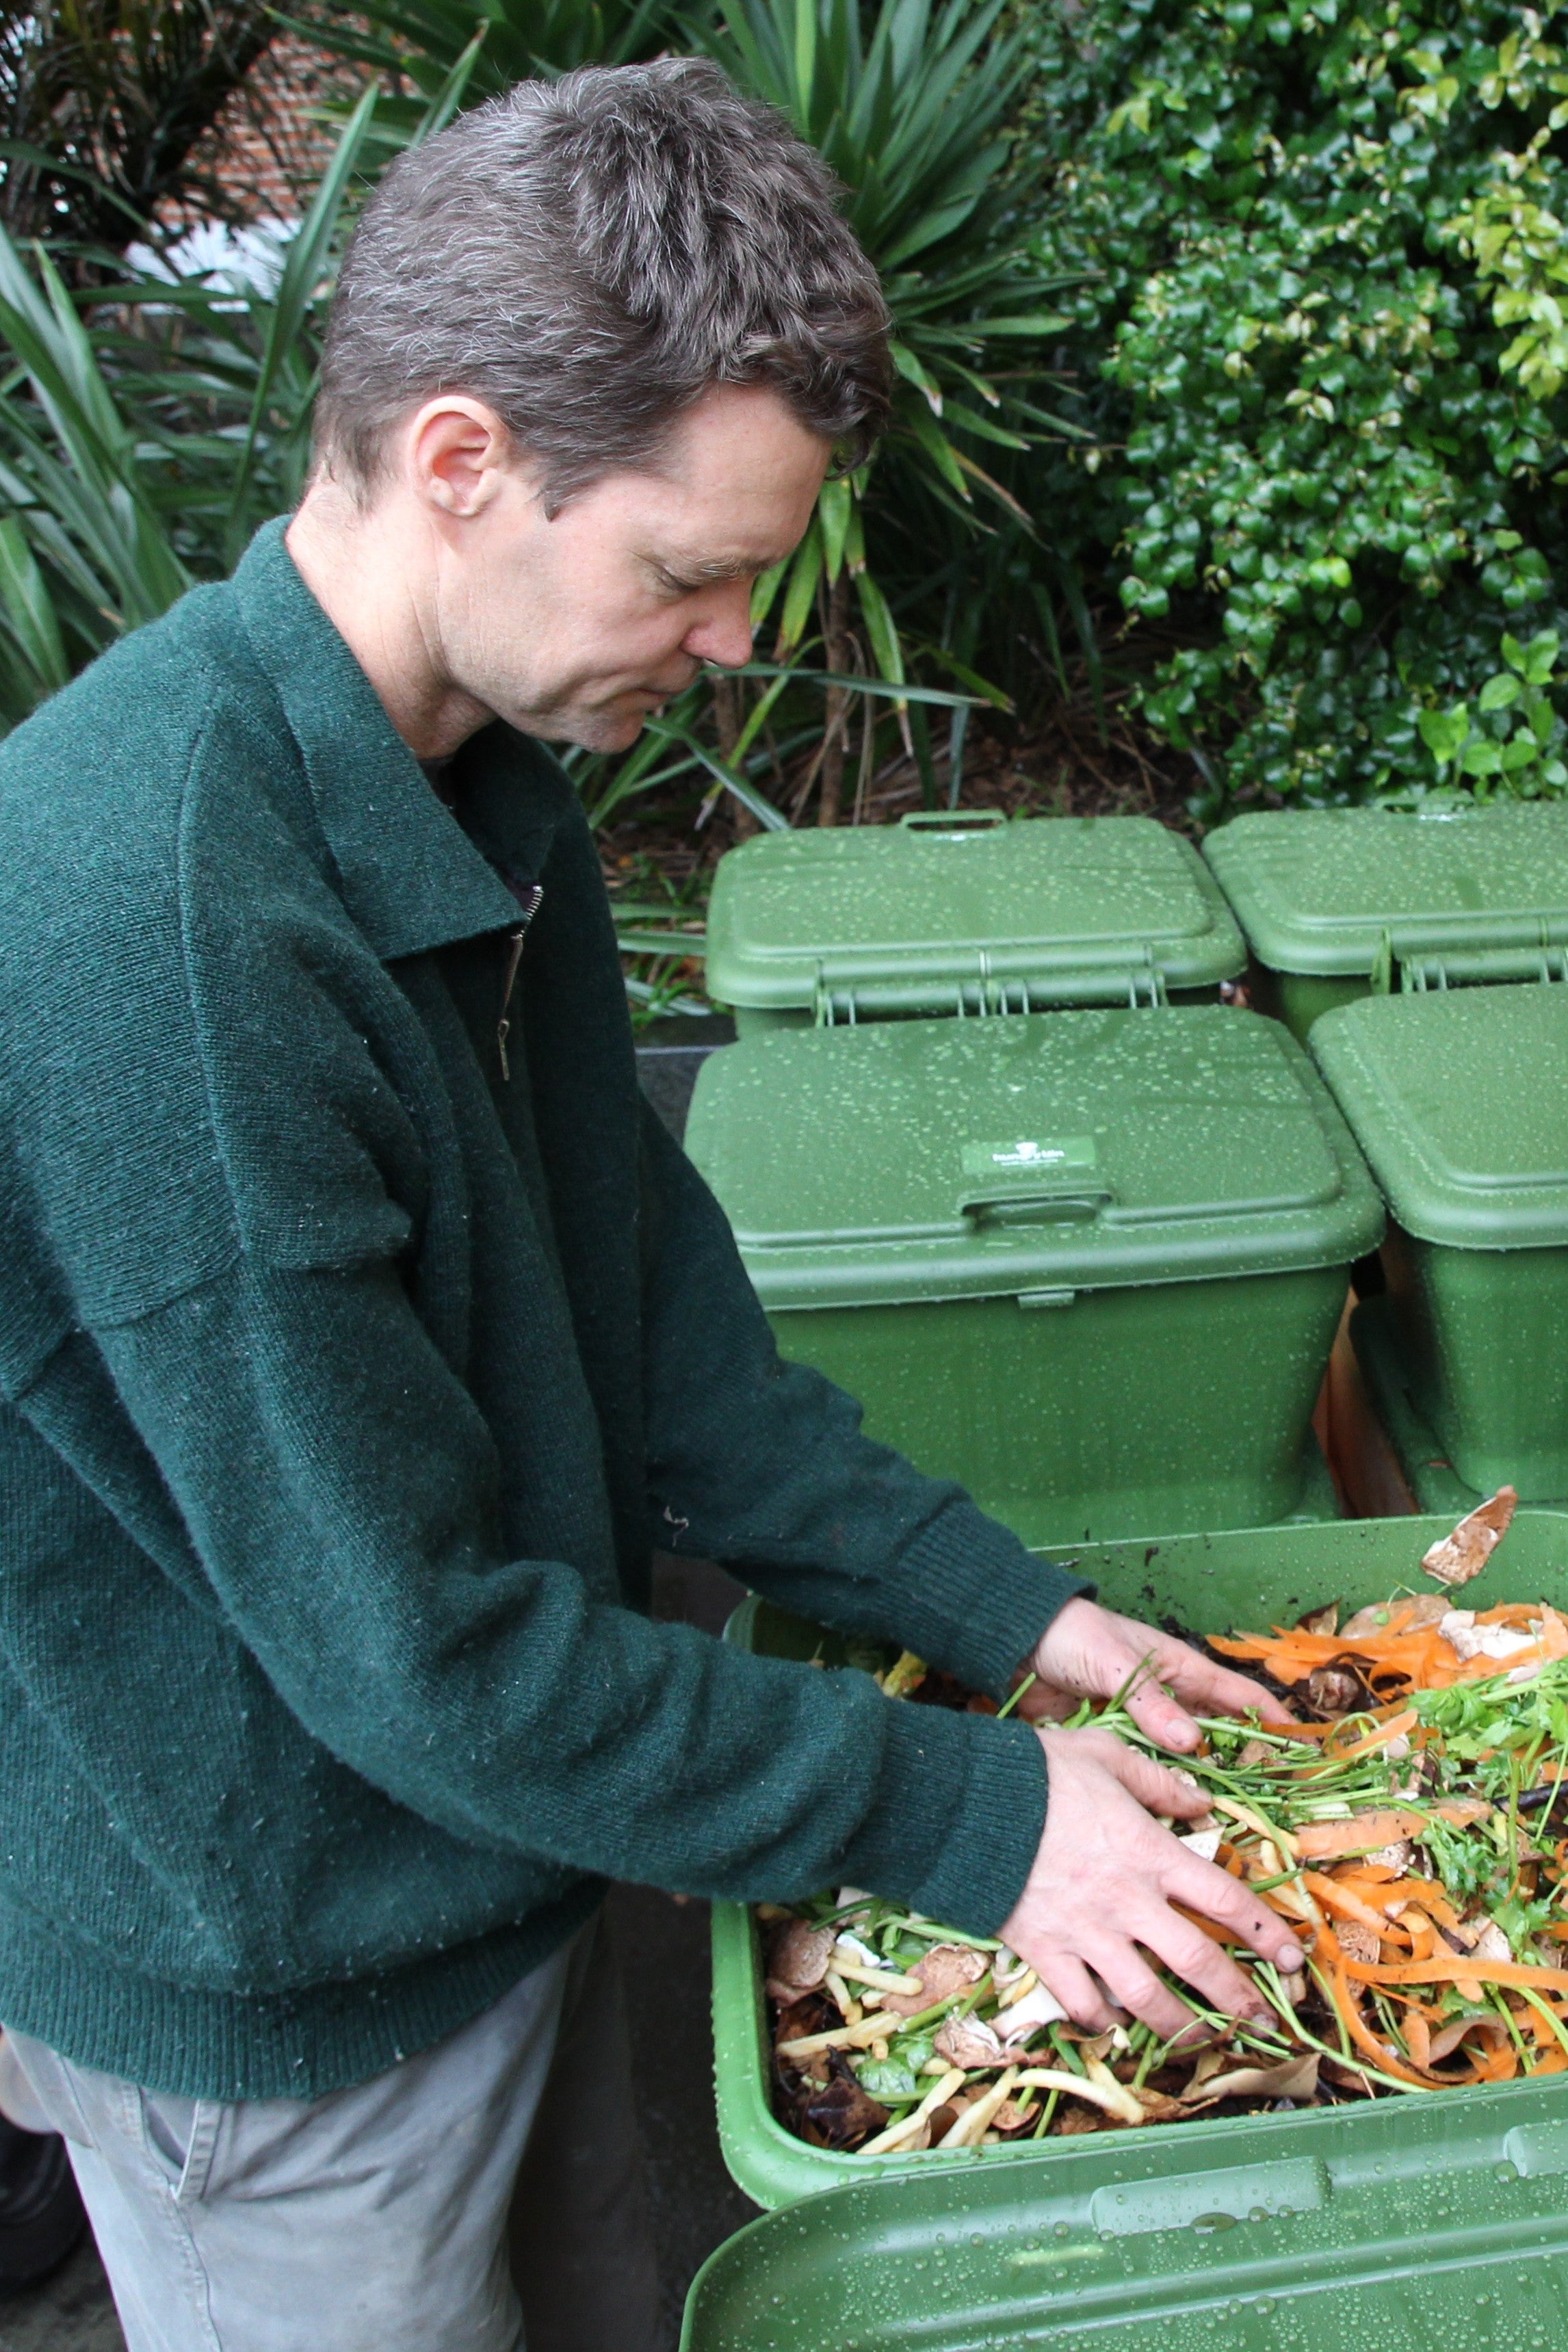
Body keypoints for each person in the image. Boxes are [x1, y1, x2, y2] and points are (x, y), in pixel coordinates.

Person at [0, 57, 1304, 2352]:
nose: (730, 648)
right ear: (460, 461)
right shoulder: (160, 935)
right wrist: (974, 1822)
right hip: (286, 1964)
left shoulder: (481, 781)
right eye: (690, 573)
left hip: (517, 1840)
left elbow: (651, 1328)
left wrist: (999, 1610)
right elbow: (410, 1650)